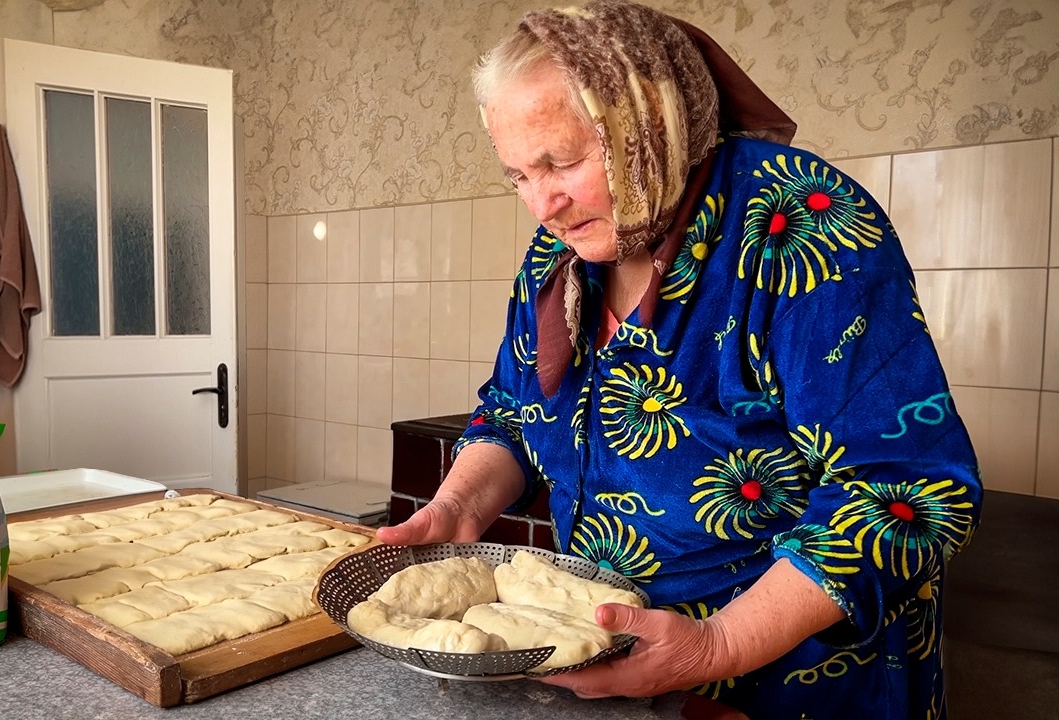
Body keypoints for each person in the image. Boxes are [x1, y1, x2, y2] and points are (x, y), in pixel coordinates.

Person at [375, 2, 982, 718]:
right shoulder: (561, 257)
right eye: (518, 176)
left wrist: (716, 646)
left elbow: (906, 492)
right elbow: (512, 415)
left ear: (648, 124)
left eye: (562, 162)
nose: (544, 204)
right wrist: (455, 506)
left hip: (793, 685)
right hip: (615, 667)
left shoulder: (799, 225)